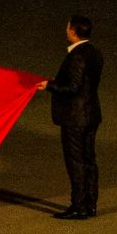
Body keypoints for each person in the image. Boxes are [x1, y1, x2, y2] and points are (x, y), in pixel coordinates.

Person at [36, 14, 103, 220]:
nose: (66, 30)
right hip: (91, 113)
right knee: (89, 160)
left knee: (76, 162)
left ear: (73, 32)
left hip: (75, 118)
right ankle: (90, 204)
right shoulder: (95, 53)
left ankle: (78, 206)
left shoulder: (77, 56)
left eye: (67, 28)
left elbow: (72, 87)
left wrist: (50, 86)